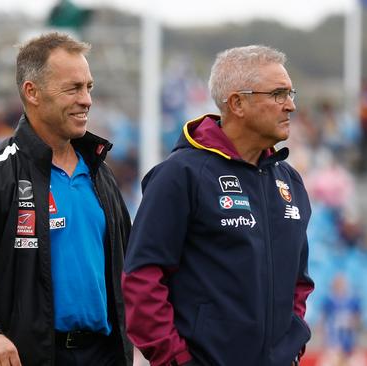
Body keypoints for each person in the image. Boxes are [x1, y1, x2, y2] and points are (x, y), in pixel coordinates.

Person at [0, 32, 132, 366]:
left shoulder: (101, 174)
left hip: (102, 355)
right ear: (32, 92)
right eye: (73, 88)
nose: (87, 100)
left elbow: (131, 269)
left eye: (89, 87)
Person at [122, 45, 314, 366]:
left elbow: (299, 281)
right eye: (278, 94)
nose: (291, 106)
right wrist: (177, 360)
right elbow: (142, 277)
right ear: (237, 103)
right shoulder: (181, 175)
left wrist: (290, 346)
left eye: (290, 93)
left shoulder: (290, 182)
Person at [320, 274, 361, 366]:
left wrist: (351, 323)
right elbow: (323, 319)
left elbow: (357, 320)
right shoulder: (328, 300)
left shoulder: (352, 301)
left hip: (347, 339)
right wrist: (325, 339)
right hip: (333, 339)